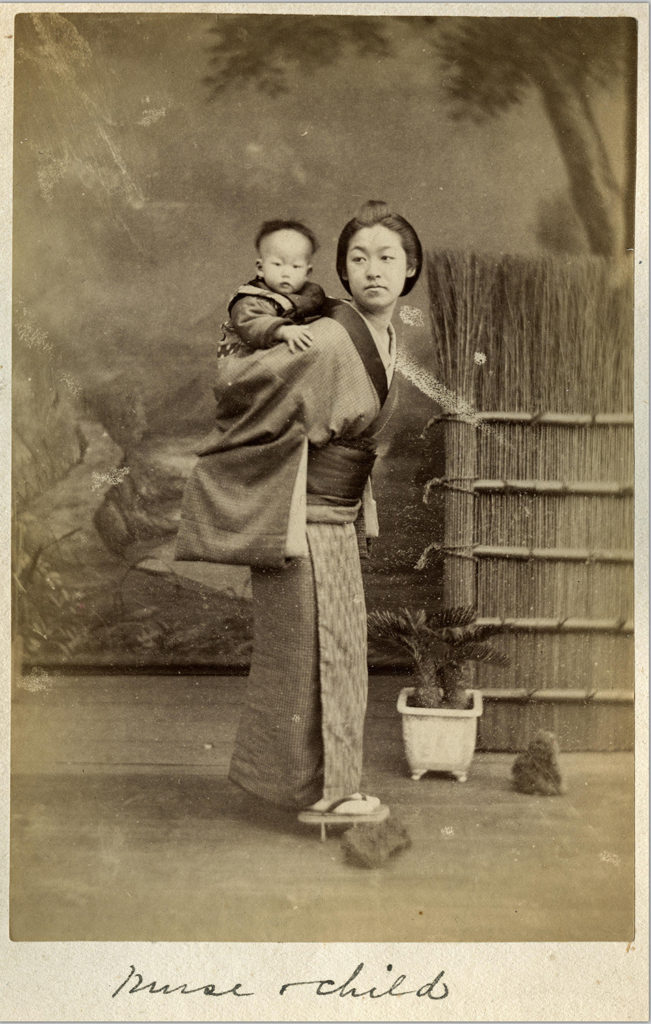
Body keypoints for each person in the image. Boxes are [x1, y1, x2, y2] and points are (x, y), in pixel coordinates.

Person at [175, 200, 423, 827]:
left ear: (410, 268)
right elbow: (235, 382)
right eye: (358, 257)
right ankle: (311, 790)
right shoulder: (332, 333)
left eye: (387, 257)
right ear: (340, 269)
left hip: (331, 514)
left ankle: (314, 788)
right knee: (305, 653)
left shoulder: (384, 337)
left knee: (330, 647)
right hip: (297, 511)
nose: (372, 270)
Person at [218, 219, 326, 357]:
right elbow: (250, 323)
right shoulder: (252, 299)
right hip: (248, 356)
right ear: (260, 268)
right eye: (277, 264)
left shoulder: (310, 293)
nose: (286, 273)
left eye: (296, 266)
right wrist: (281, 331)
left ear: (307, 273)